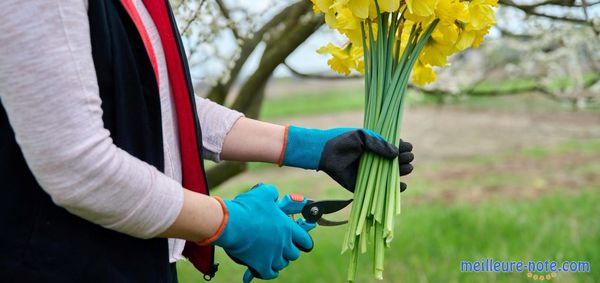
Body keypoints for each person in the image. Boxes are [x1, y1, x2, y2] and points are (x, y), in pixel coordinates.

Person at [0, 1, 414, 282]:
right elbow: (78, 168)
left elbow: (156, 98)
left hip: (131, 256)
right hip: (58, 264)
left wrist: (305, 147)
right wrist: (228, 222)